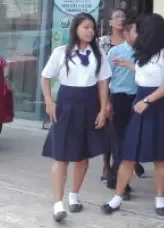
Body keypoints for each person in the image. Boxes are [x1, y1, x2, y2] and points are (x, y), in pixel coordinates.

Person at [102, 13, 164, 217]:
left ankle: (160, 199)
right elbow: (142, 73)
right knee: (128, 154)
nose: (136, 32)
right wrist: (126, 64)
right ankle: (117, 197)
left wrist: (147, 101)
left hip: (159, 105)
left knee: (160, 157)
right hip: (141, 102)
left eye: (140, 28)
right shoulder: (141, 53)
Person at [40, 12, 111, 222]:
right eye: (85, 27)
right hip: (66, 103)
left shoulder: (99, 55)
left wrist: (102, 109)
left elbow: (103, 83)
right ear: (75, 29)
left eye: (92, 27)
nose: (90, 31)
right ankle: (58, 203)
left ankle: (74, 196)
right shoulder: (61, 52)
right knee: (61, 156)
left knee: (82, 156)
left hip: (89, 104)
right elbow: (45, 77)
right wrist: (49, 101)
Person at [104, 17, 141, 193]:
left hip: (139, 100)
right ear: (126, 33)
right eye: (136, 31)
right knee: (119, 141)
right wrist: (106, 103)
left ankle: (116, 177)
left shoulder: (144, 52)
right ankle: (119, 182)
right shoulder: (115, 52)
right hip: (119, 99)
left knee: (132, 141)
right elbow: (105, 79)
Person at [97, 8, 127, 181]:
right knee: (108, 130)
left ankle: (122, 164)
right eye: (116, 17)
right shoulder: (103, 42)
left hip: (125, 89)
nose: (120, 20)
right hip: (106, 87)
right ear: (109, 22)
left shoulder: (131, 39)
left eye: (123, 17)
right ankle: (106, 165)